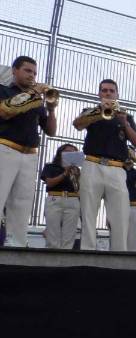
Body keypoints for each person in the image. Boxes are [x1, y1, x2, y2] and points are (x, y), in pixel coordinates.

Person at [73, 78, 136, 251]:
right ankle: (88, 249)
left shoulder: (126, 116)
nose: (108, 93)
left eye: (111, 90)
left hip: (117, 168)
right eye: (104, 90)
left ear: (117, 94)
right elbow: (77, 125)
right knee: (88, 211)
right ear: (99, 93)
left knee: (120, 214)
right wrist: (97, 112)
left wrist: (124, 122)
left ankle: (119, 252)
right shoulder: (89, 111)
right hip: (92, 164)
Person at [0, 55, 58, 246]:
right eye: (27, 70)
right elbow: (6, 111)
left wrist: (51, 110)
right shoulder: (4, 90)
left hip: (30, 154)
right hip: (5, 149)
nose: (32, 75)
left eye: (34, 72)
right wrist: (34, 92)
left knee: (22, 203)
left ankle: (16, 244)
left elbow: (50, 131)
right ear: (14, 70)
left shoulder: (37, 101)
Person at [40, 143, 79, 249]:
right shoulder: (51, 166)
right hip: (55, 198)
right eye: (68, 152)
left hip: (72, 200)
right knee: (52, 233)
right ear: (60, 153)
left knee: (69, 235)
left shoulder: (76, 170)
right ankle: (52, 261)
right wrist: (65, 173)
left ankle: (66, 261)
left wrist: (77, 176)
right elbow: (50, 183)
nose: (71, 154)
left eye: (74, 152)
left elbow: (79, 189)